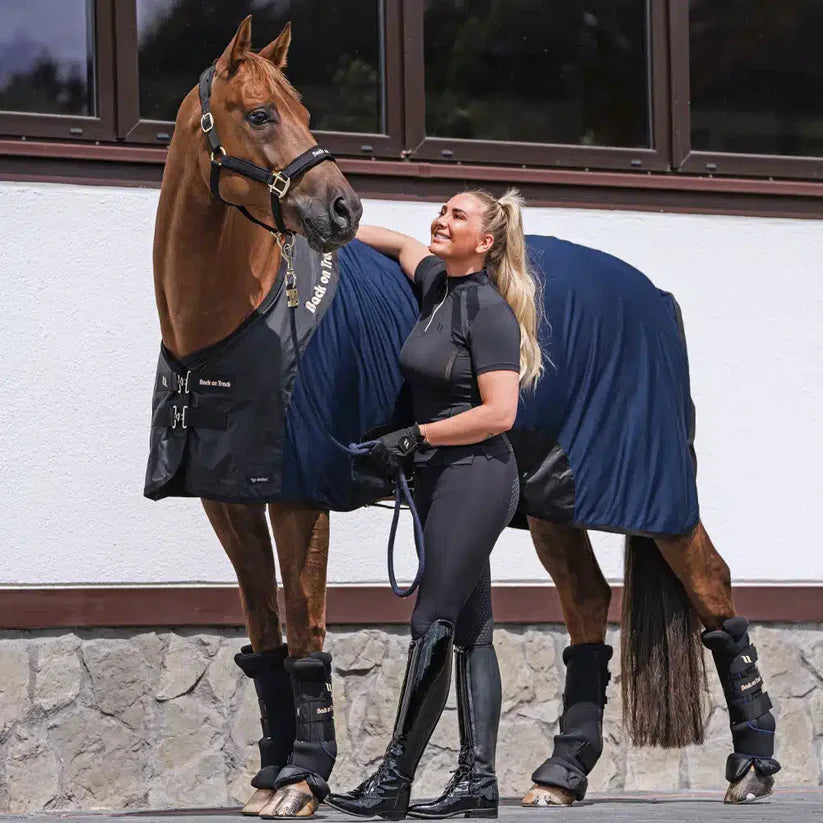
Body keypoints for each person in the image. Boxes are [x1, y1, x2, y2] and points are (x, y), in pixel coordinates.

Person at [325, 189, 543, 820]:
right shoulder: (436, 287)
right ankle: (477, 784)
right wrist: (327, 231)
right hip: (440, 478)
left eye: (458, 217)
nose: (442, 221)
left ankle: (393, 780)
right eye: (442, 211)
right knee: (473, 634)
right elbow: (397, 244)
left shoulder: (491, 312)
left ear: (487, 241)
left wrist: (418, 435)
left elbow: (501, 412)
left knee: (433, 623)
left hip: (476, 476)